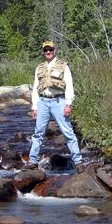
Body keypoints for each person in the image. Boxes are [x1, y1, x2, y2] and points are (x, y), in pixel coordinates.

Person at [23, 41, 85, 174]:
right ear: (43, 52)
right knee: (38, 133)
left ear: (54, 50)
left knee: (68, 132)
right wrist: (34, 107)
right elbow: (35, 88)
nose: (48, 52)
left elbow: (69, 85)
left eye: (50, 50)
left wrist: (69, 104)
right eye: (46, 50)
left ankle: (78, 161)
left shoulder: (63, 66)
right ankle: (33, 161)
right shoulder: (39, 68)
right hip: (43, 102)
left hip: (59, 101)